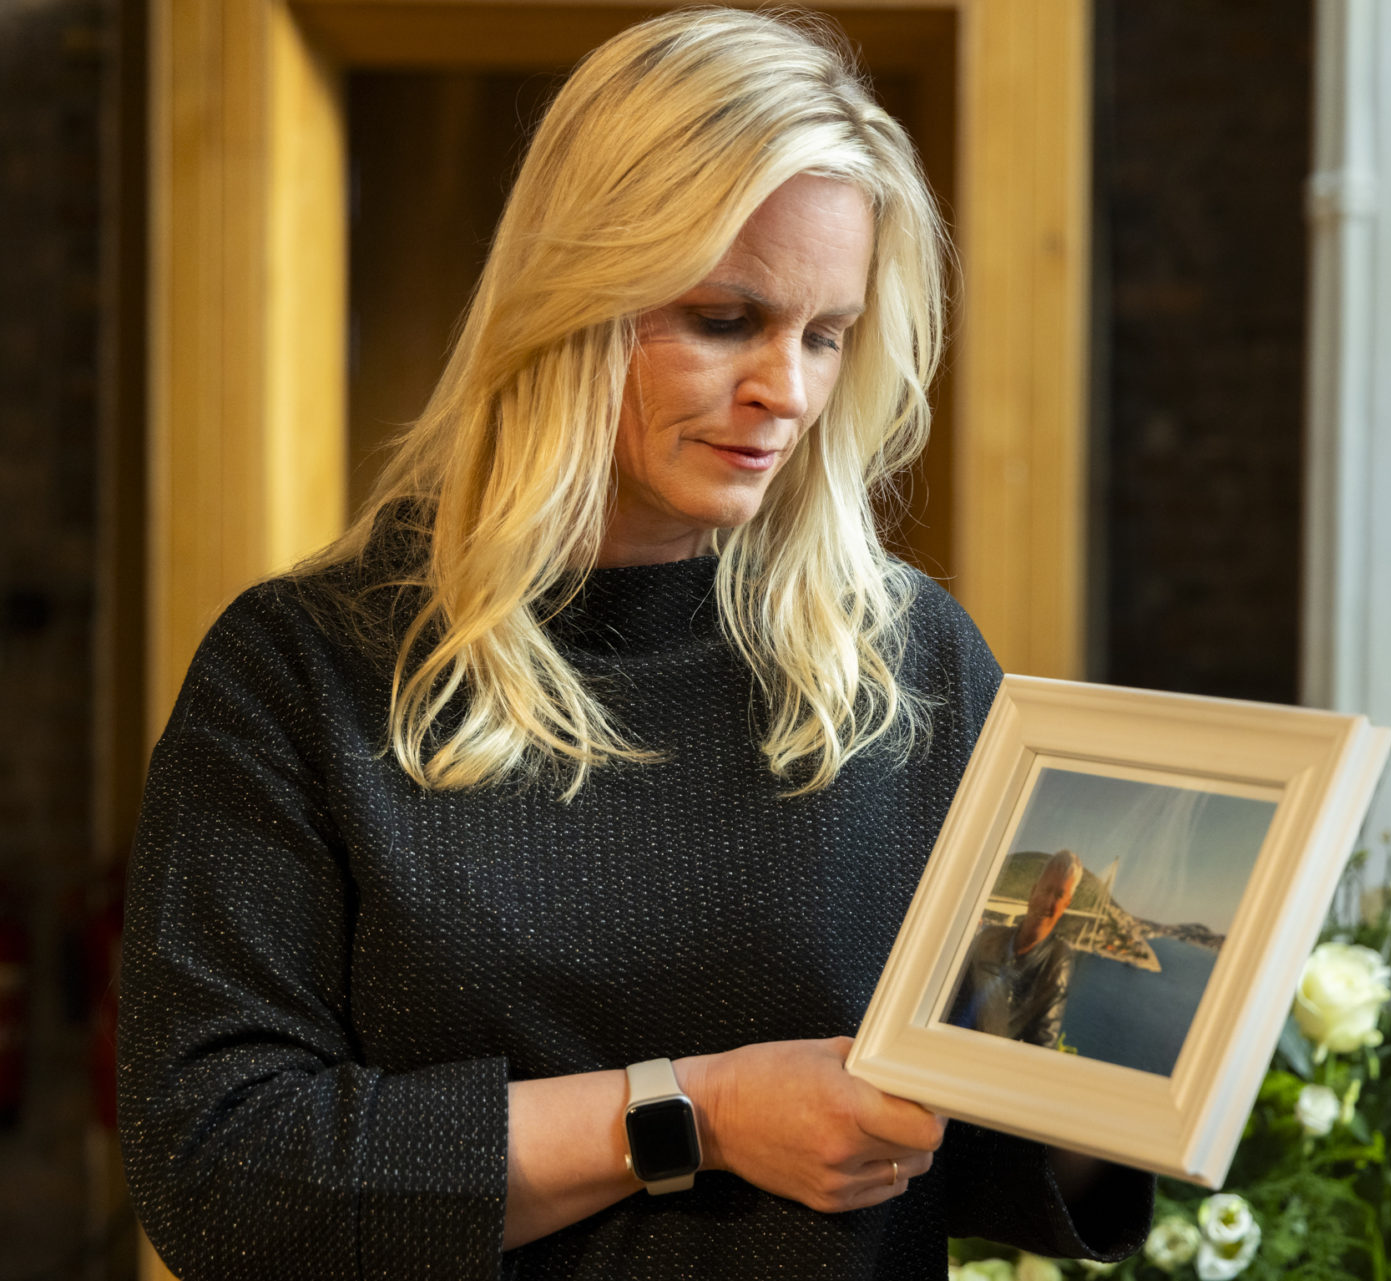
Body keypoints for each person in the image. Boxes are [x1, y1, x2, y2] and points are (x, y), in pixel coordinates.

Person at [116, 10, 1151, 1279]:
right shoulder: (301, 670)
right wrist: (696, 1116)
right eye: (727, 319)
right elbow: (221, 1172)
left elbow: (988, 1151)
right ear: (569, 294)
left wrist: (1137, 1069)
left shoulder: (910, 664)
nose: (789, 391)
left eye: (826, 334)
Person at [946, 850, 1085, 1047]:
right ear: (1033, 891)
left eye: (1059, 895)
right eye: (1046, 890)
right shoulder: (989, 937)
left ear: (1066, 904)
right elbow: (949, 992)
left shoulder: (1056, 961)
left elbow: (1042, 1044)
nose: (1048, 902)